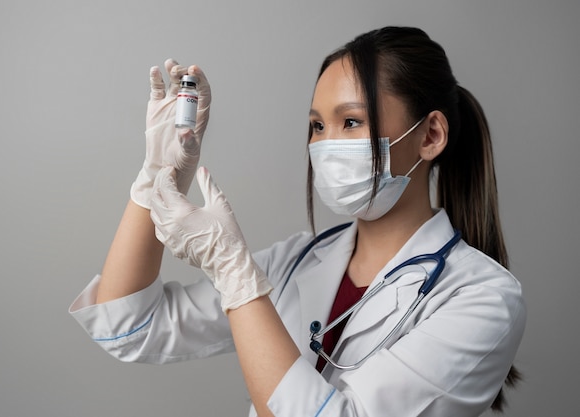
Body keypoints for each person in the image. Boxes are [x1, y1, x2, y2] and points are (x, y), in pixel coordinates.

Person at [69, 26, 526, 416]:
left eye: (350, 122)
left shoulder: (483, 298)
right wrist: (157, 176)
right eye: (317, 126)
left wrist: (236, 276)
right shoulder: (298, 261)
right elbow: (128, 327)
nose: (326, 144)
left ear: (430, 135)